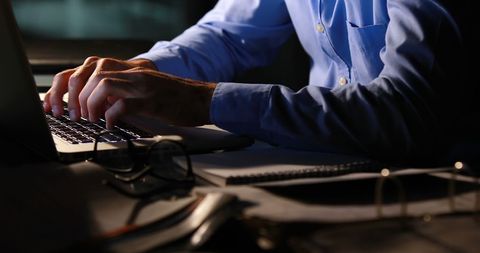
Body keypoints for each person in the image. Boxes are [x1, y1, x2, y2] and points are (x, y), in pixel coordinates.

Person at [42, 0, 476, 165]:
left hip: (438, 184)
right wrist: (138, 73)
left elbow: (406, 114)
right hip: (329, 163)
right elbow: (226, 35)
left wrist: (204, 102)